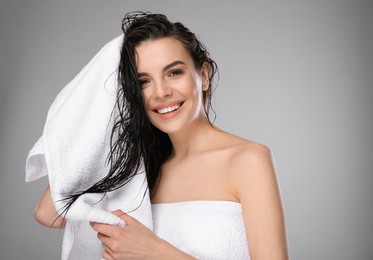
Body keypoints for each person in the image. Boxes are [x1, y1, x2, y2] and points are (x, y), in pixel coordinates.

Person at [35, 12, 288, 259]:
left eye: (174, 73)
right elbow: (48, 212)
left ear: (204, 75)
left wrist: (155, 252)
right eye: (143, 82)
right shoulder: (138, 172)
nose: (161, 92)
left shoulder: (248, 160)